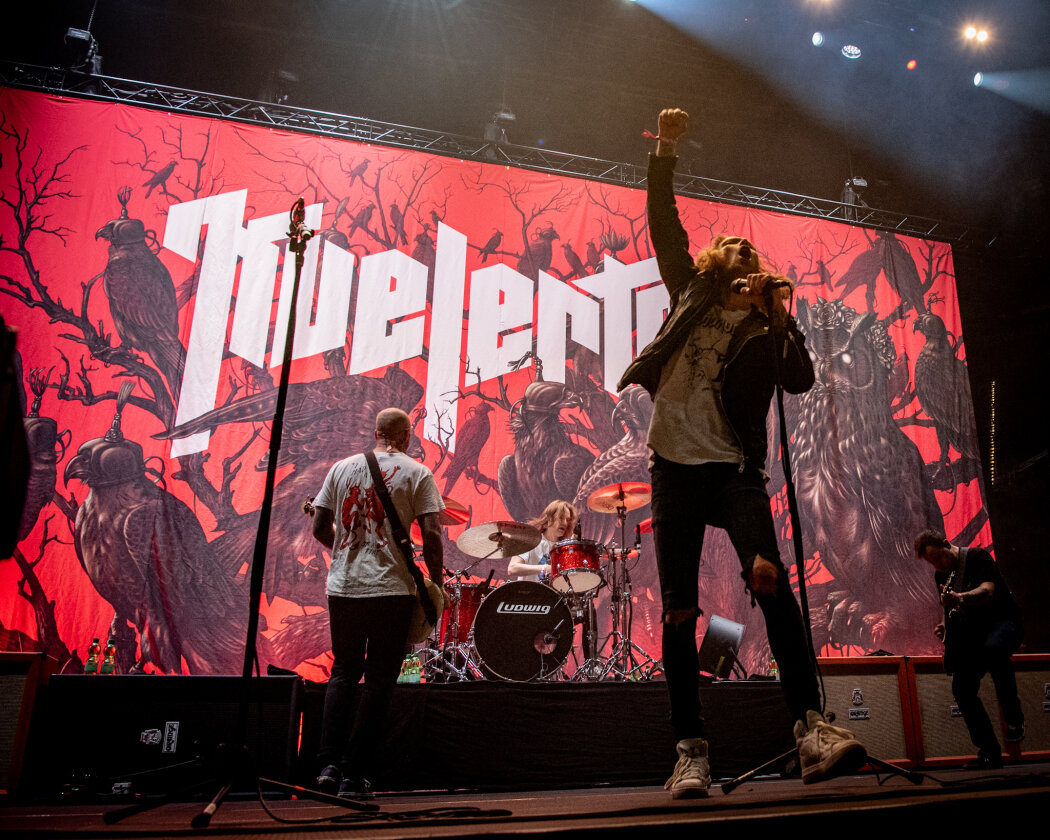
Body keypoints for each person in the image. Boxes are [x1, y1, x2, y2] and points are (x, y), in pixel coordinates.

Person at [617, 108, 865, 798]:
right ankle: (690, 750)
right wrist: (663, 148)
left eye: (753, 257)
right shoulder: (689, 294)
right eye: (734, 250)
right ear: (714, 265)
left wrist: (781, 318)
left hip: (734, 474)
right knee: (678, 611)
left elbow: (801, 379)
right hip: (673, 471)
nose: (744, 255)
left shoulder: (765, 327)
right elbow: (665, 225)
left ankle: (811, 727)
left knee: (769, 580)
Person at [311, 407, 444, 798]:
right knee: (380, 680)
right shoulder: (418, 473)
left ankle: (327, 766)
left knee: (344, 673)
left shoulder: (340, 469)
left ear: (375, 433)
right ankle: (354, 774)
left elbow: (320, 526)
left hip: (345, 587)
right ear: (406, 436)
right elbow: (433, 534)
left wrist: (343, 551)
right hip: (391, 589)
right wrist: (435, 583)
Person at [915, 529, 1025, 769]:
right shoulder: (940, 576)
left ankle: (1014, 719)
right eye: (931, 562)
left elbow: (987, 591)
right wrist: (944, 626)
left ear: (946, 544)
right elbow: (949, 607)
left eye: (938, 557)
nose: (937, 565)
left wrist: (960, 597)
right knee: (962, 689)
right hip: (976, 635)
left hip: (1003, 622)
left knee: (995, 649)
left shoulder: (976, 558)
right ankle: (989, 752)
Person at [507, 500, 578, 582]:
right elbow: (512, 568)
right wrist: (545, 568)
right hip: (527, 593)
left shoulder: (564, 549)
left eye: (568, 520)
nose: (565, 523)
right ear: (549, 519)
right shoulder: (530, 540)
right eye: (562, 518)